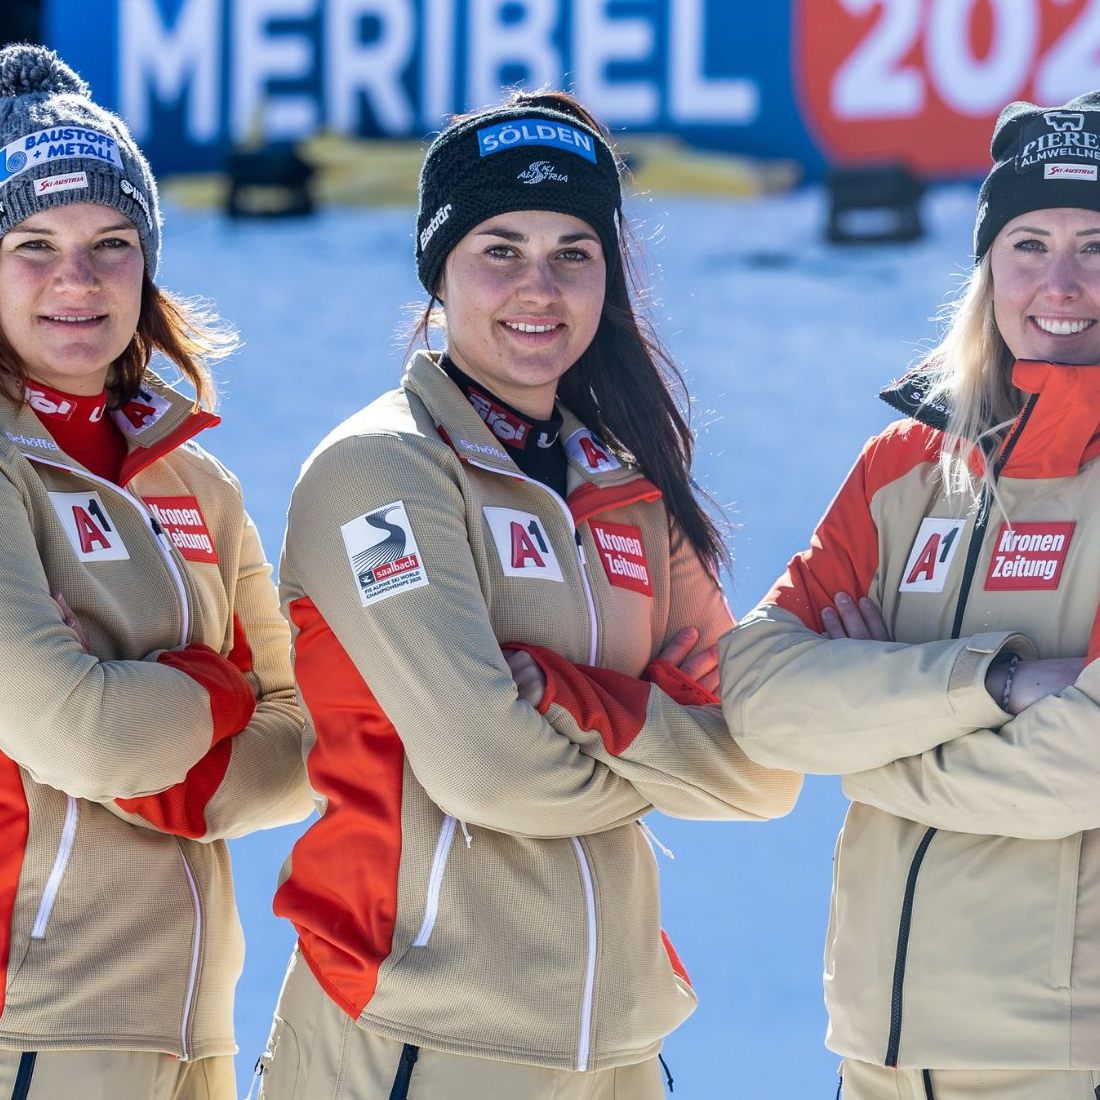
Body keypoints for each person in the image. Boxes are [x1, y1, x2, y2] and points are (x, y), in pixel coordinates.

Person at [256, 90, 801, 1100]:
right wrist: (676, 760)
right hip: (416, 1035)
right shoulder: (381, 469)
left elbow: (766, 769)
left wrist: (582, 702)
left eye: (571, 252)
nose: (536, 287)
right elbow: (487, 769)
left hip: (613, 1043)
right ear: (438, 267)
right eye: (498, 248)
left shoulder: (624, 481)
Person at [719, 91, 1100, 1100]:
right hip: (877, 1057)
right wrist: (999, 680)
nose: (1057, 282)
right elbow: (756, 696)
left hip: (1064, 1057)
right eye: (1026, 242)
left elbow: (1085, 765)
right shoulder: (904, 467)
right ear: (986, 265)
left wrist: (868, 743)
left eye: (1094, 244)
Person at [0, 44, 311, 1100]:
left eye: (111, 242)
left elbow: (309, 733)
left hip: (196, 1034)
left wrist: (171, 758)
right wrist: (218, 688)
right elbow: (77, 729)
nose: (76, 279)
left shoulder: (198, 483)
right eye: (32, 243)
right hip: (30, 1032)